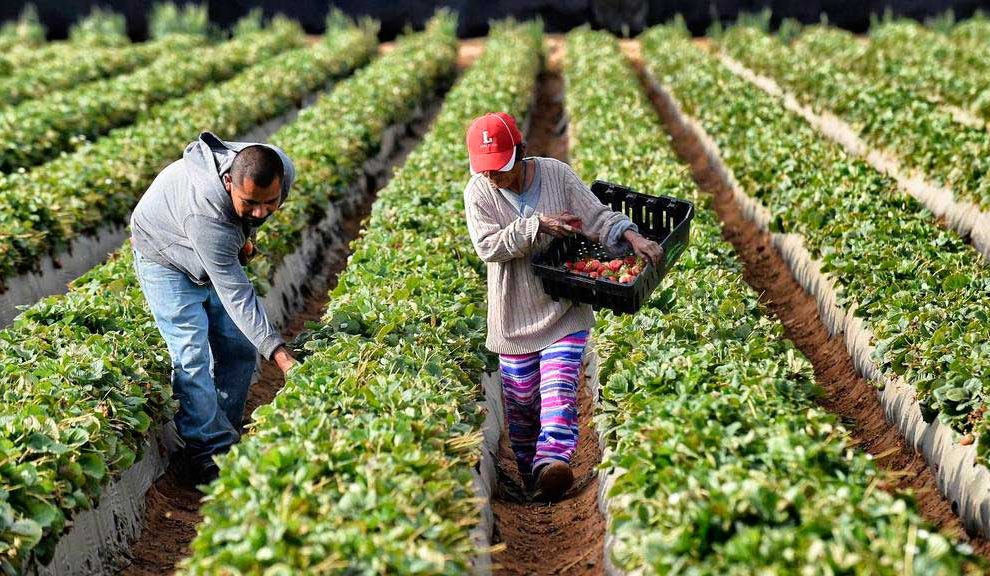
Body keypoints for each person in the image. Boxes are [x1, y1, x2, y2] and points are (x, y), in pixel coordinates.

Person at [463, 112, 662, 500]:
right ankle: (530, 473)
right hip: (513, 316)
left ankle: (552, 462)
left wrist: (632, 236)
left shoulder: (556, 175)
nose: (493, 177)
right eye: (485, 169)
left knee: (559, 388)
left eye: (500, 168)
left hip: (563, 310)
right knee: (520, 407)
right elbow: (488, 246)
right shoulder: (478, 193)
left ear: (520, 153)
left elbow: (597, 215)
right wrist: (538, 225)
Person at [130, 131, 298, 487]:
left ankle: (226, 435)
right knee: (192, 355)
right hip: (164, 254)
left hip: (210, 244)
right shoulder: (205, 214)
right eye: (250, 202)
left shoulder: (282, 170)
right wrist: (282, 357)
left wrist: (248, 234)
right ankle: (209, 455)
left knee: (238, 345)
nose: (261, 211)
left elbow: (251, 216)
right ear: (227, 183)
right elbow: (238, 295)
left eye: (270, 202)